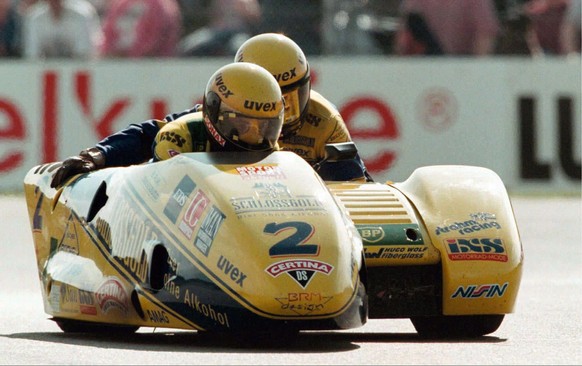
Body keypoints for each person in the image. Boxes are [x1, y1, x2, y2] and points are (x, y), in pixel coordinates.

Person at [50, 32, 370, 188]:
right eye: (272, 99)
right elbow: (156, 132)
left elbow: (354, 187)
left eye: (291, 97)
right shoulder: (222, 113)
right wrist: (99, 154)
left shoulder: (324, 120)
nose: (283, 112)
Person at [152, 62, 284, 160]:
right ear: (215, 111)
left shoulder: (269, 147)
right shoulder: (178, 137)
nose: (253, 137)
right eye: (243, 125)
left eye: (263, 126)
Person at [394, 0, 500, 56]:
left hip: (463, 68)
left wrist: (476, 72)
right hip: (425, 68)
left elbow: (485, 36)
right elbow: (405, 39)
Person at [98, 0, 181, 58]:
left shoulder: (162, 6)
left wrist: (127, 56)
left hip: (151, 71)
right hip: (115, 68)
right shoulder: (120, 4)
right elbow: (108, 35)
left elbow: (152, 45)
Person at [22, 0, 102, 59]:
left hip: (77, 71)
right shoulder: (34, 18)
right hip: (45, 71)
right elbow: (32, 55)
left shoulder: (82, 16)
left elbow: (84, 53)